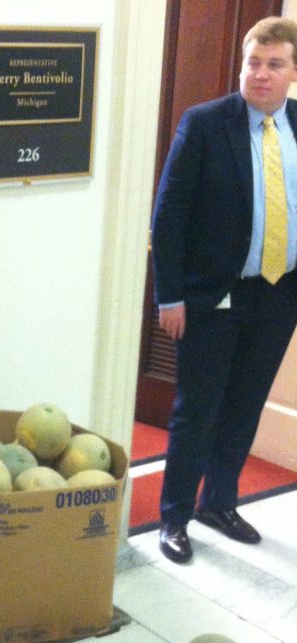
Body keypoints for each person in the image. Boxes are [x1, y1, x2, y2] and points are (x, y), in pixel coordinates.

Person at [151, 16, 297, 564]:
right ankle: (174, 517)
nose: (260, 75)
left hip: (278, 294)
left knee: (244, 405)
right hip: (213, 297)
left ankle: (220, 503)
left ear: (293, 71)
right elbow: (169, 217)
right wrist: (169, 296)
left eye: (274, 64)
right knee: (198, 409)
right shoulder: (205, 124)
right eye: (253, 63)